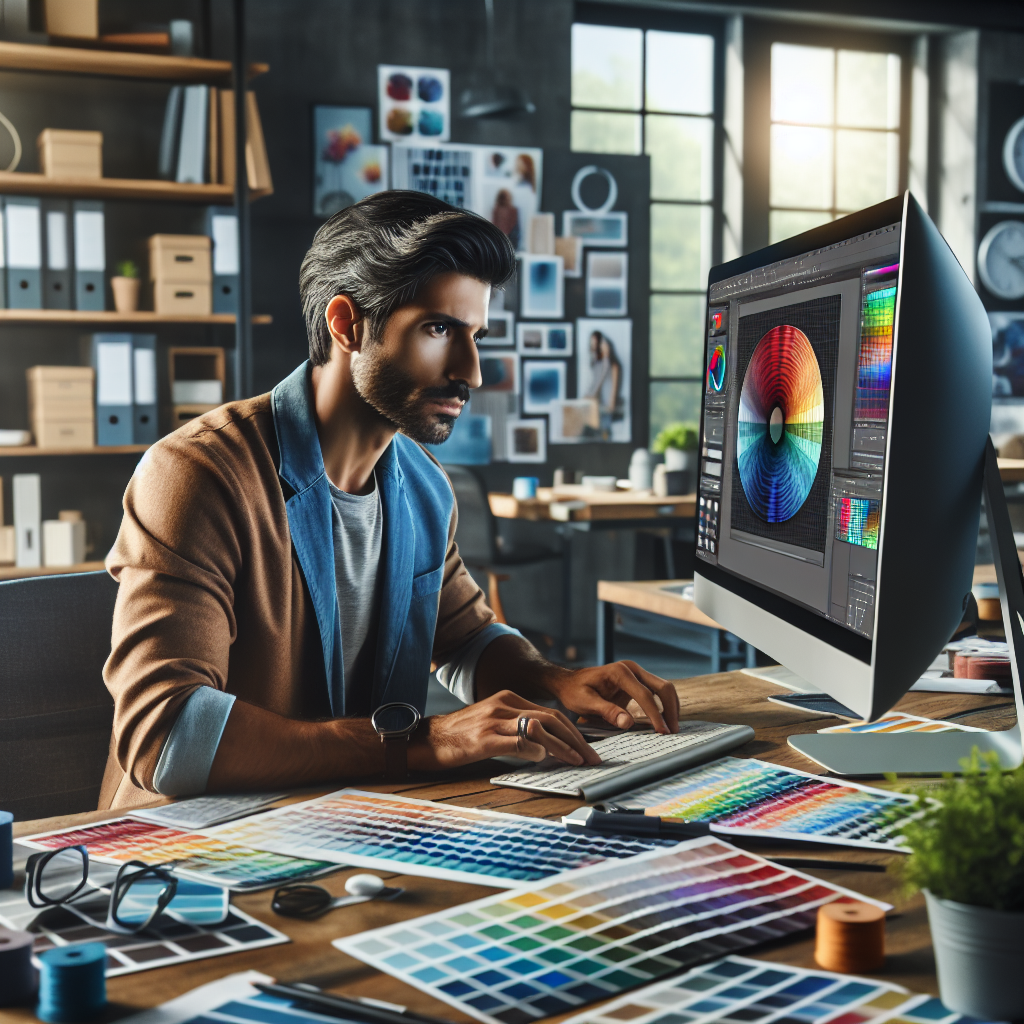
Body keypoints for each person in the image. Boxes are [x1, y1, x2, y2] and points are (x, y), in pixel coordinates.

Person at [99, 191, 678, 809]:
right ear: (347, 324)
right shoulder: (197, 473)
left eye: (475, 334)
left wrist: (555, 680)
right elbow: (166, 736)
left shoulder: (424, 486)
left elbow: (462, 640)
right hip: (190, 852)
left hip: (353, 821)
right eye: (439, 329)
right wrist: (419, 741)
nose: (472, 370)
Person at [584, 329, 623, 437]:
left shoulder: (612, 365)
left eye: (598, 344)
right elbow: (596, 383)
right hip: (596, 405)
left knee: (605, 433)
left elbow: (613, 388)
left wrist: (612, 403)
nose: (595, 346)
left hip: (606, 408)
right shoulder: (598, 364)